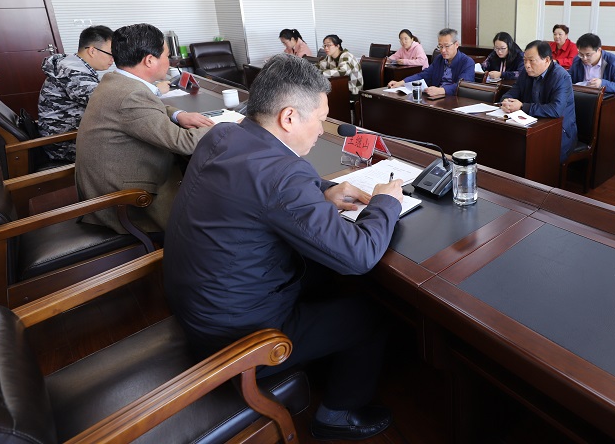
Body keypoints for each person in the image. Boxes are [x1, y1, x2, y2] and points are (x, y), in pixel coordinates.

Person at [163, 55, 403, 441]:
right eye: (320, 119)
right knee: (370, 312)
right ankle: (336, 417)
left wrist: (324, 191)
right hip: (240, 337)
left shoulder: (222, 136)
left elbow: (259, 187)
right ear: (289, 117)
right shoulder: (283, 174)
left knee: (321, 271)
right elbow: (358, 256)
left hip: (198, 306)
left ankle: (322, 358)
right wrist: (386, 202)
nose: (321, 130)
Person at [75, 23, 214, 233]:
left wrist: (178, 114)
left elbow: (144, 108)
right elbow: (184, 143)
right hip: (126, 203)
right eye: (167, 56)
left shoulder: (116, 81)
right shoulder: (132, 94)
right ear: (149, 60)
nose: (170, 61)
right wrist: (225, 126)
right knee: (216, 208)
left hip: (111, 183)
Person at [37, 25, 114, 161]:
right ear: (92, 51)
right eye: (111, 54)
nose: (113, 60)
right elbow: (108, 100)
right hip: (65, 144)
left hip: (69, 134)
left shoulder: (71, 65)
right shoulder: (73, 73)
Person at [501, 41, 578, 161]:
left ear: (547, 60)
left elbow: (555, 110)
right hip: (532, 126)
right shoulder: (526, 73)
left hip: (558, 132)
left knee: (532, 156)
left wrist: (522, 107)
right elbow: (513, 92)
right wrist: (507, 101)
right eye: (525, 60)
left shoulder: (561, 77)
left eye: (531, 60)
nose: (527, 65)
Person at [387, 28, 474, 97]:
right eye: (440, 46)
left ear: (456, 45)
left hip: (454, 99)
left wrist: (441, 90)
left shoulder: (467, 62)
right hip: (436, 97)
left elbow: (463, 86)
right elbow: (424, 75)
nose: (443, 50)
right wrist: (401, 82)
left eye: (447, 46)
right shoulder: (439, 59)